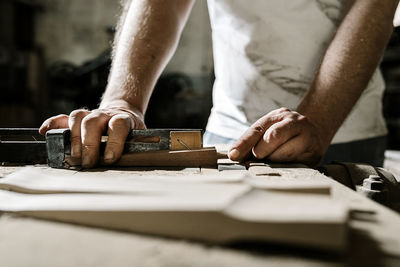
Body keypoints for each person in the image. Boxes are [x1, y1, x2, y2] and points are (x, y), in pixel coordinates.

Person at [39, 0, 399, 168]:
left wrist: (319, 119)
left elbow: (374, 7)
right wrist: (122, 102)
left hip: (343, 129)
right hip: (227, 132)